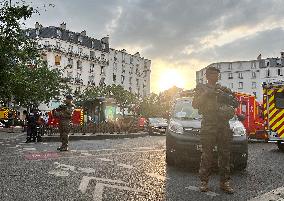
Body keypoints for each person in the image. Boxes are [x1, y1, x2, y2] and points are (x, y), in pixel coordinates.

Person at [192, 66, 238, 194]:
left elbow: (235, 102)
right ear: (207, 76)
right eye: (214, 74)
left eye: (218, 74)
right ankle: (204, 182)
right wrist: (207, 94)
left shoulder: (223, 89)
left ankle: (225, 182)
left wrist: (227, 97)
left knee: (225, 154)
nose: (216, 76)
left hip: (223, 124)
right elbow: (195, 104)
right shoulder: (201, 88)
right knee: (207, 154)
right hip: (209, 124)